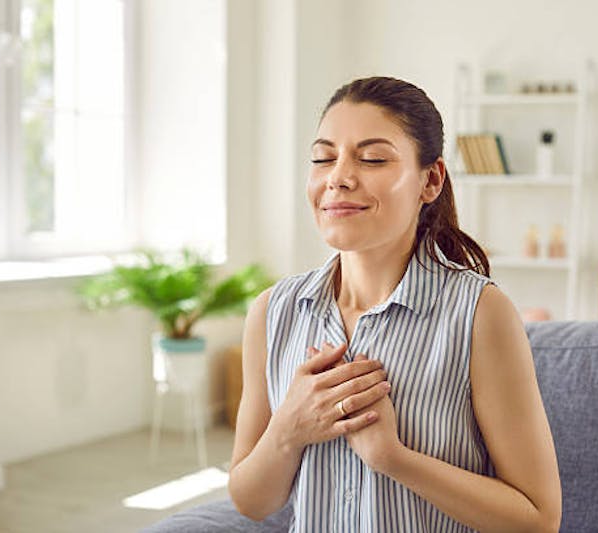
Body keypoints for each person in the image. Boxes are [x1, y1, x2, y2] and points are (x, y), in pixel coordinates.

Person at [227, 77, 561, 532]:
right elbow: (250, 500)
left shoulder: (479, 313)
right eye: (323, 158)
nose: (338, 177)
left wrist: (394, 458)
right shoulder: (273, 312)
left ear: (431, 180)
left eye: (372, 159)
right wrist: (290, 428)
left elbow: (538, 519)